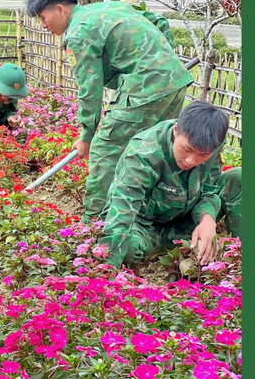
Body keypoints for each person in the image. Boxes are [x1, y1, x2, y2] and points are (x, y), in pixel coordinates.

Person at [27, 0, 194, 218]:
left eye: (43, 17)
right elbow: (159, 21)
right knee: (156, 147)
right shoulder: (107, 8)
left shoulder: (78, 33)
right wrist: (163, 60)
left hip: (145, 87)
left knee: (105, 148)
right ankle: (155, 215)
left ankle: (94, 220)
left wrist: (87, 135)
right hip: (174, 80)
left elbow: (89, 88)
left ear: (60, 9)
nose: (43, 25)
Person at [103, 101, 242, 267]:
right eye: (187, 149)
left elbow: (209, 190)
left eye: (202, 155)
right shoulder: (144, 154)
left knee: (240, 178)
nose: (191, 160)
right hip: (144, 227)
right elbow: (122, 211)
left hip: (185, 220)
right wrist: (107, 270)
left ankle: (240, 260)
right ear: (176, 130)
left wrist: (207, 220)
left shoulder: (212, 144)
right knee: (126, 246)